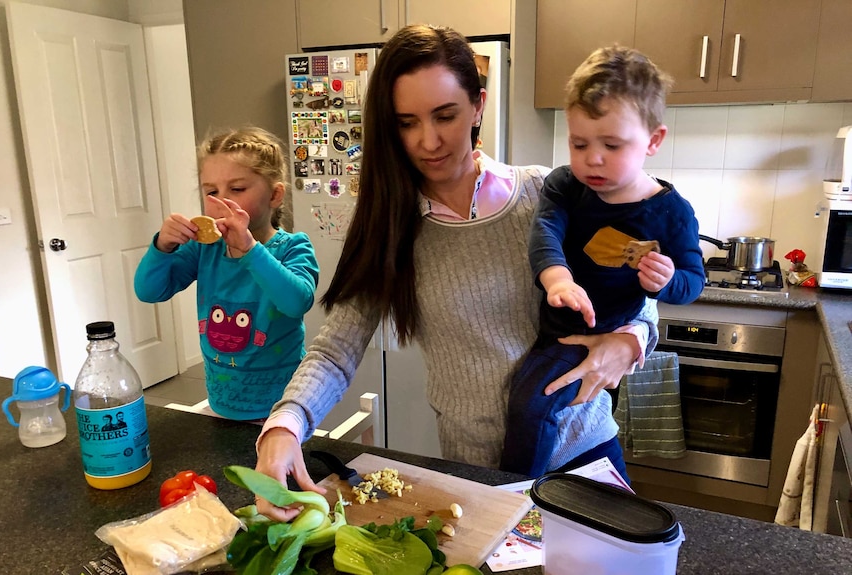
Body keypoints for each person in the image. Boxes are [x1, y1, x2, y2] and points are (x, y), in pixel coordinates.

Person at [254, 26, 657, 521]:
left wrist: (630, 341)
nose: (429, 140)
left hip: (582, 453)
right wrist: (284, 425)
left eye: (445, 115)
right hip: (476, 471)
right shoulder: (391, 224)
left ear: (478, 106)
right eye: (407, 122)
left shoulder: (547, 196)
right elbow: (336, 348)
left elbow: (634, 286)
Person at [500, 46, 704, 477]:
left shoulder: (672, 212)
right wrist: (557, 279)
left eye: (611, 145)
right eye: (579, 143)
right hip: (560, 329)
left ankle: (516, 496)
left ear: (653, 140)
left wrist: (666, 281)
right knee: (533, 404)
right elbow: (546, 231)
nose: (592, 158)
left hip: (599, 334)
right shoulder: (565, 185)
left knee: (530, 404)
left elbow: (692, 282)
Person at [134, 127, 319, 421]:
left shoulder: (292, 247)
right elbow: (150, 291)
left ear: (274, 195)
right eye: (211, 191)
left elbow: (296, 302)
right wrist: (162, 246)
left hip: (283, 407)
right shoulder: (204, 249)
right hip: (222, 400)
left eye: (236, 189)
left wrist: (250, 250)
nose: (221, 202)